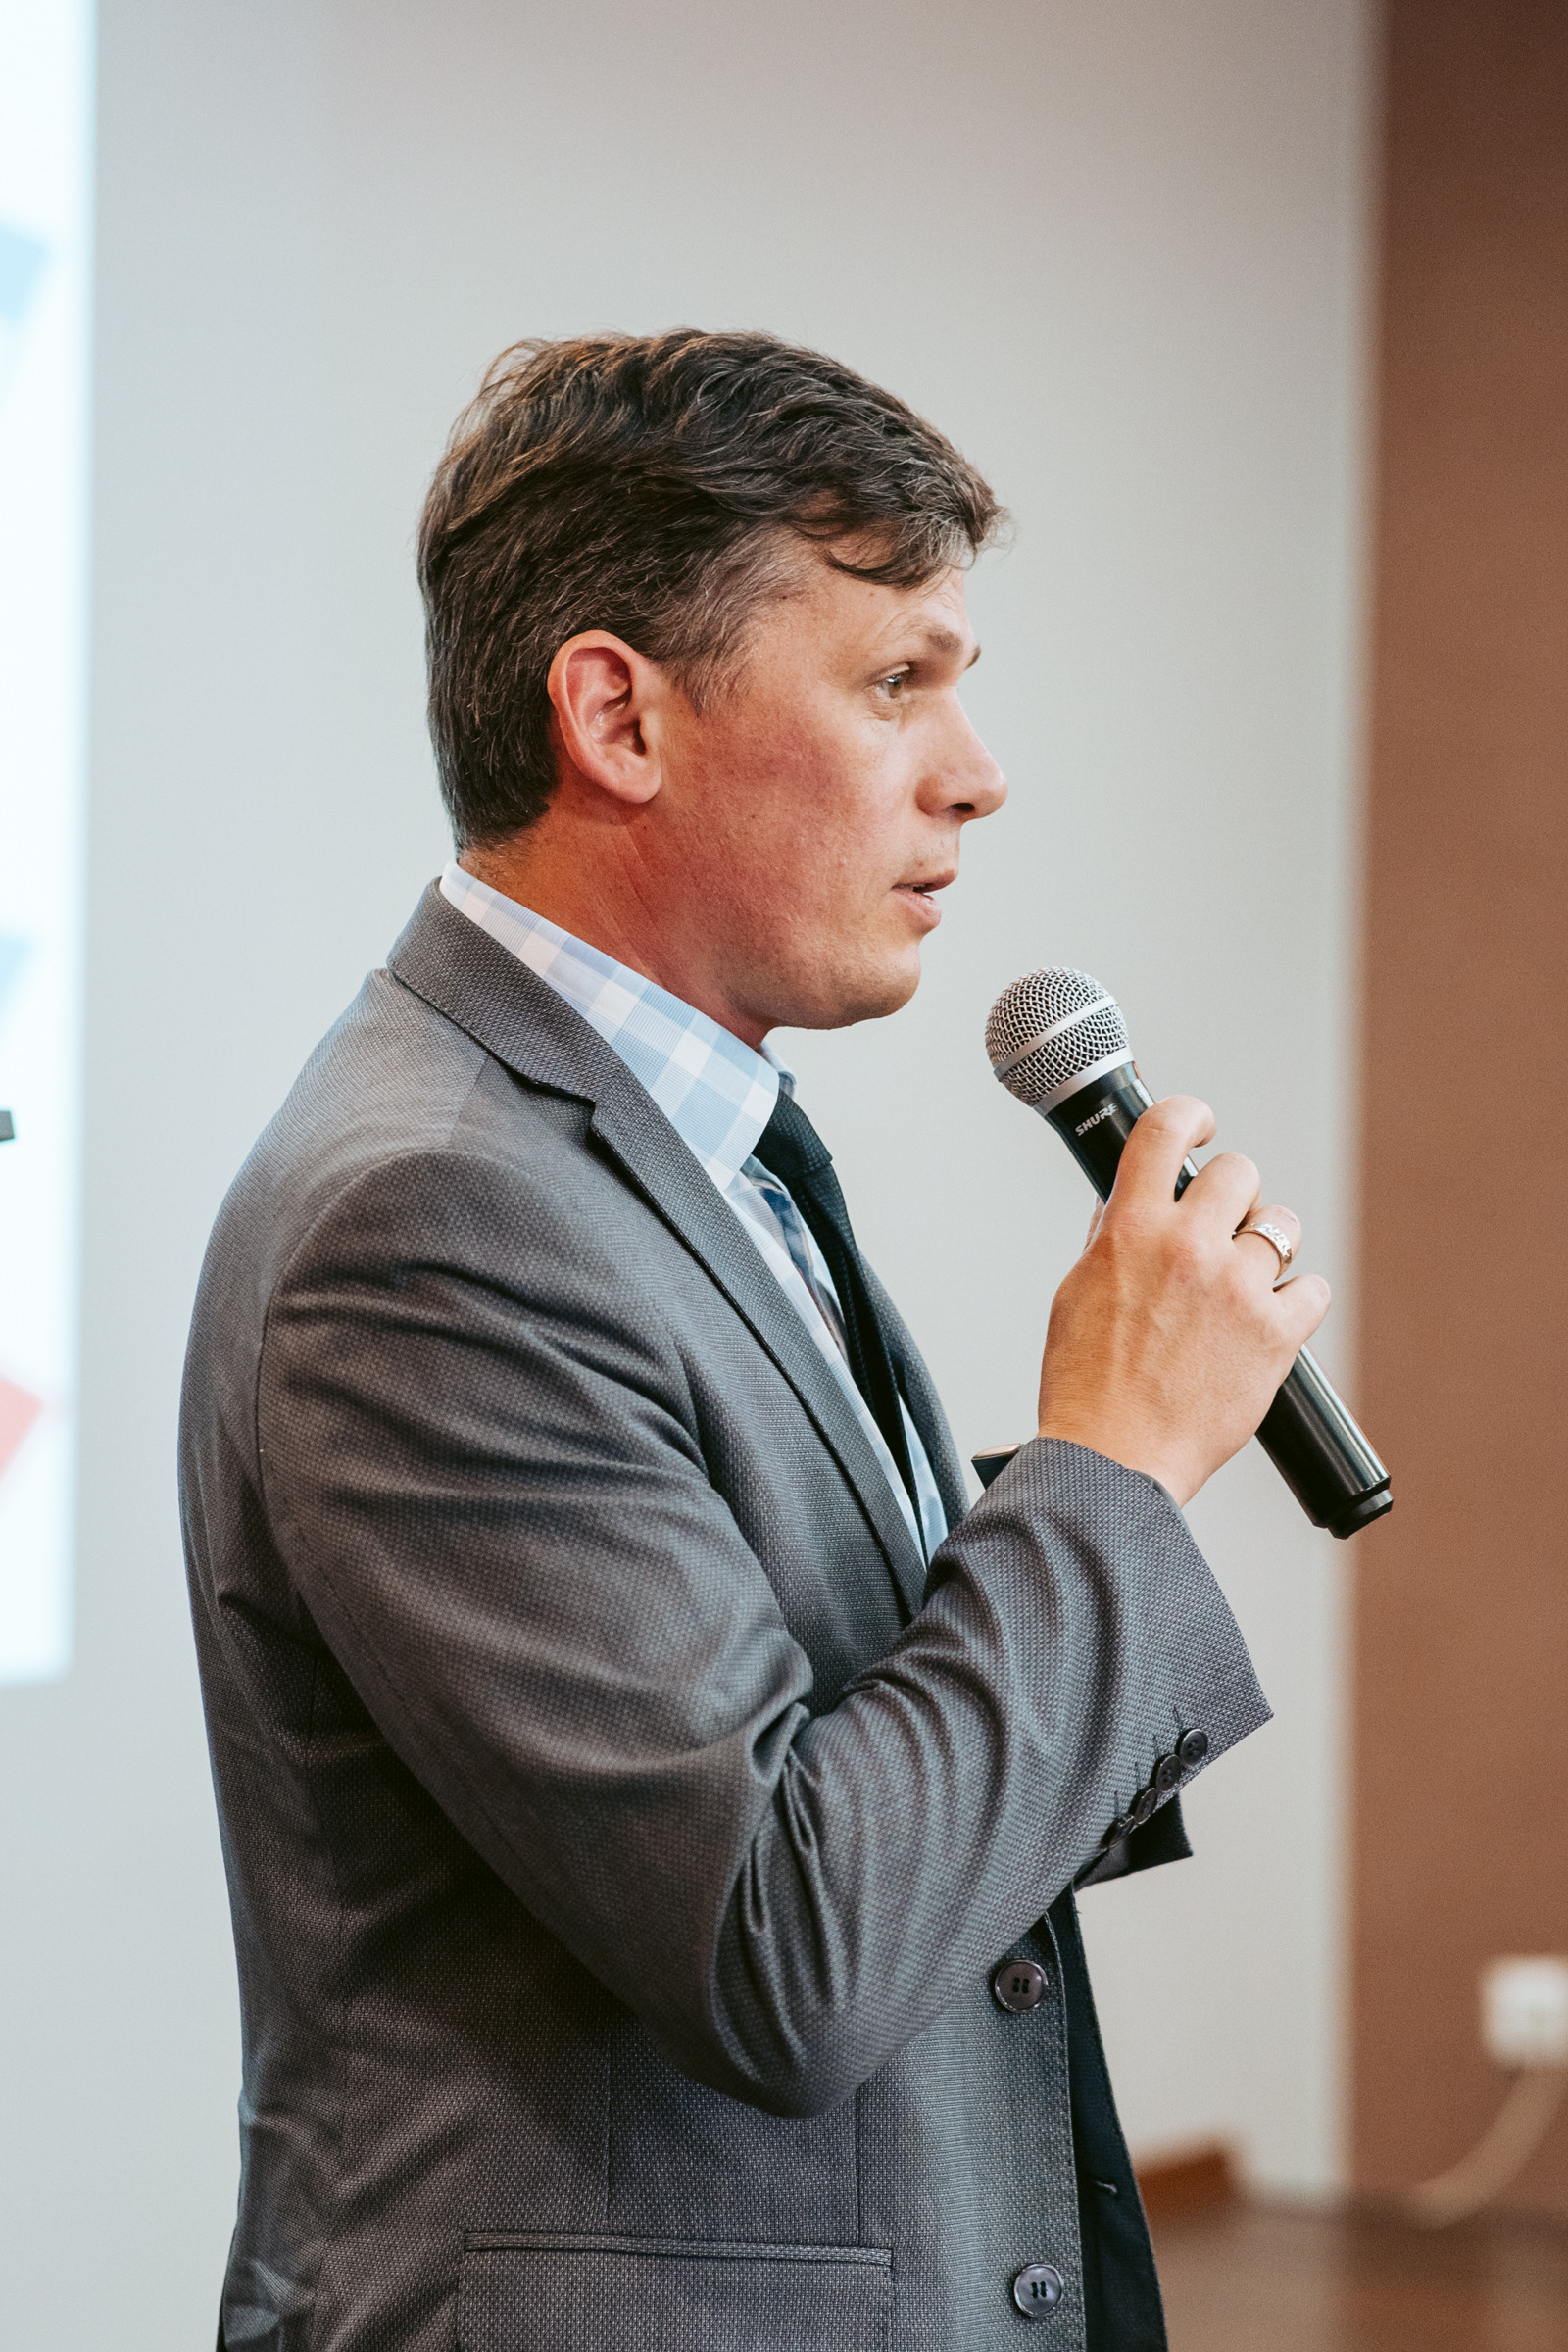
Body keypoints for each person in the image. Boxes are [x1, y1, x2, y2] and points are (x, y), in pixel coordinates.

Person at [180, 330, 1326, 2352]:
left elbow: (805, 1686)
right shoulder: (428, 1215)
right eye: (895, 683)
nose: (974, 772)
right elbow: (779, 1950)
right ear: (618, 716)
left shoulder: (703, 1136)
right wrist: (1111, 1469)